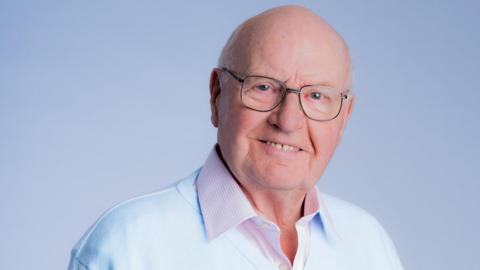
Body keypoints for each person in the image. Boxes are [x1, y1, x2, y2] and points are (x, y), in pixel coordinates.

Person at [68, 5, 404, 270]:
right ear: (217, 95)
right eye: (263, 86)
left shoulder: (369, 244)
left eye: (316, 96)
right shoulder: (129, 245)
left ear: (344, 118)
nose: (287, 121)